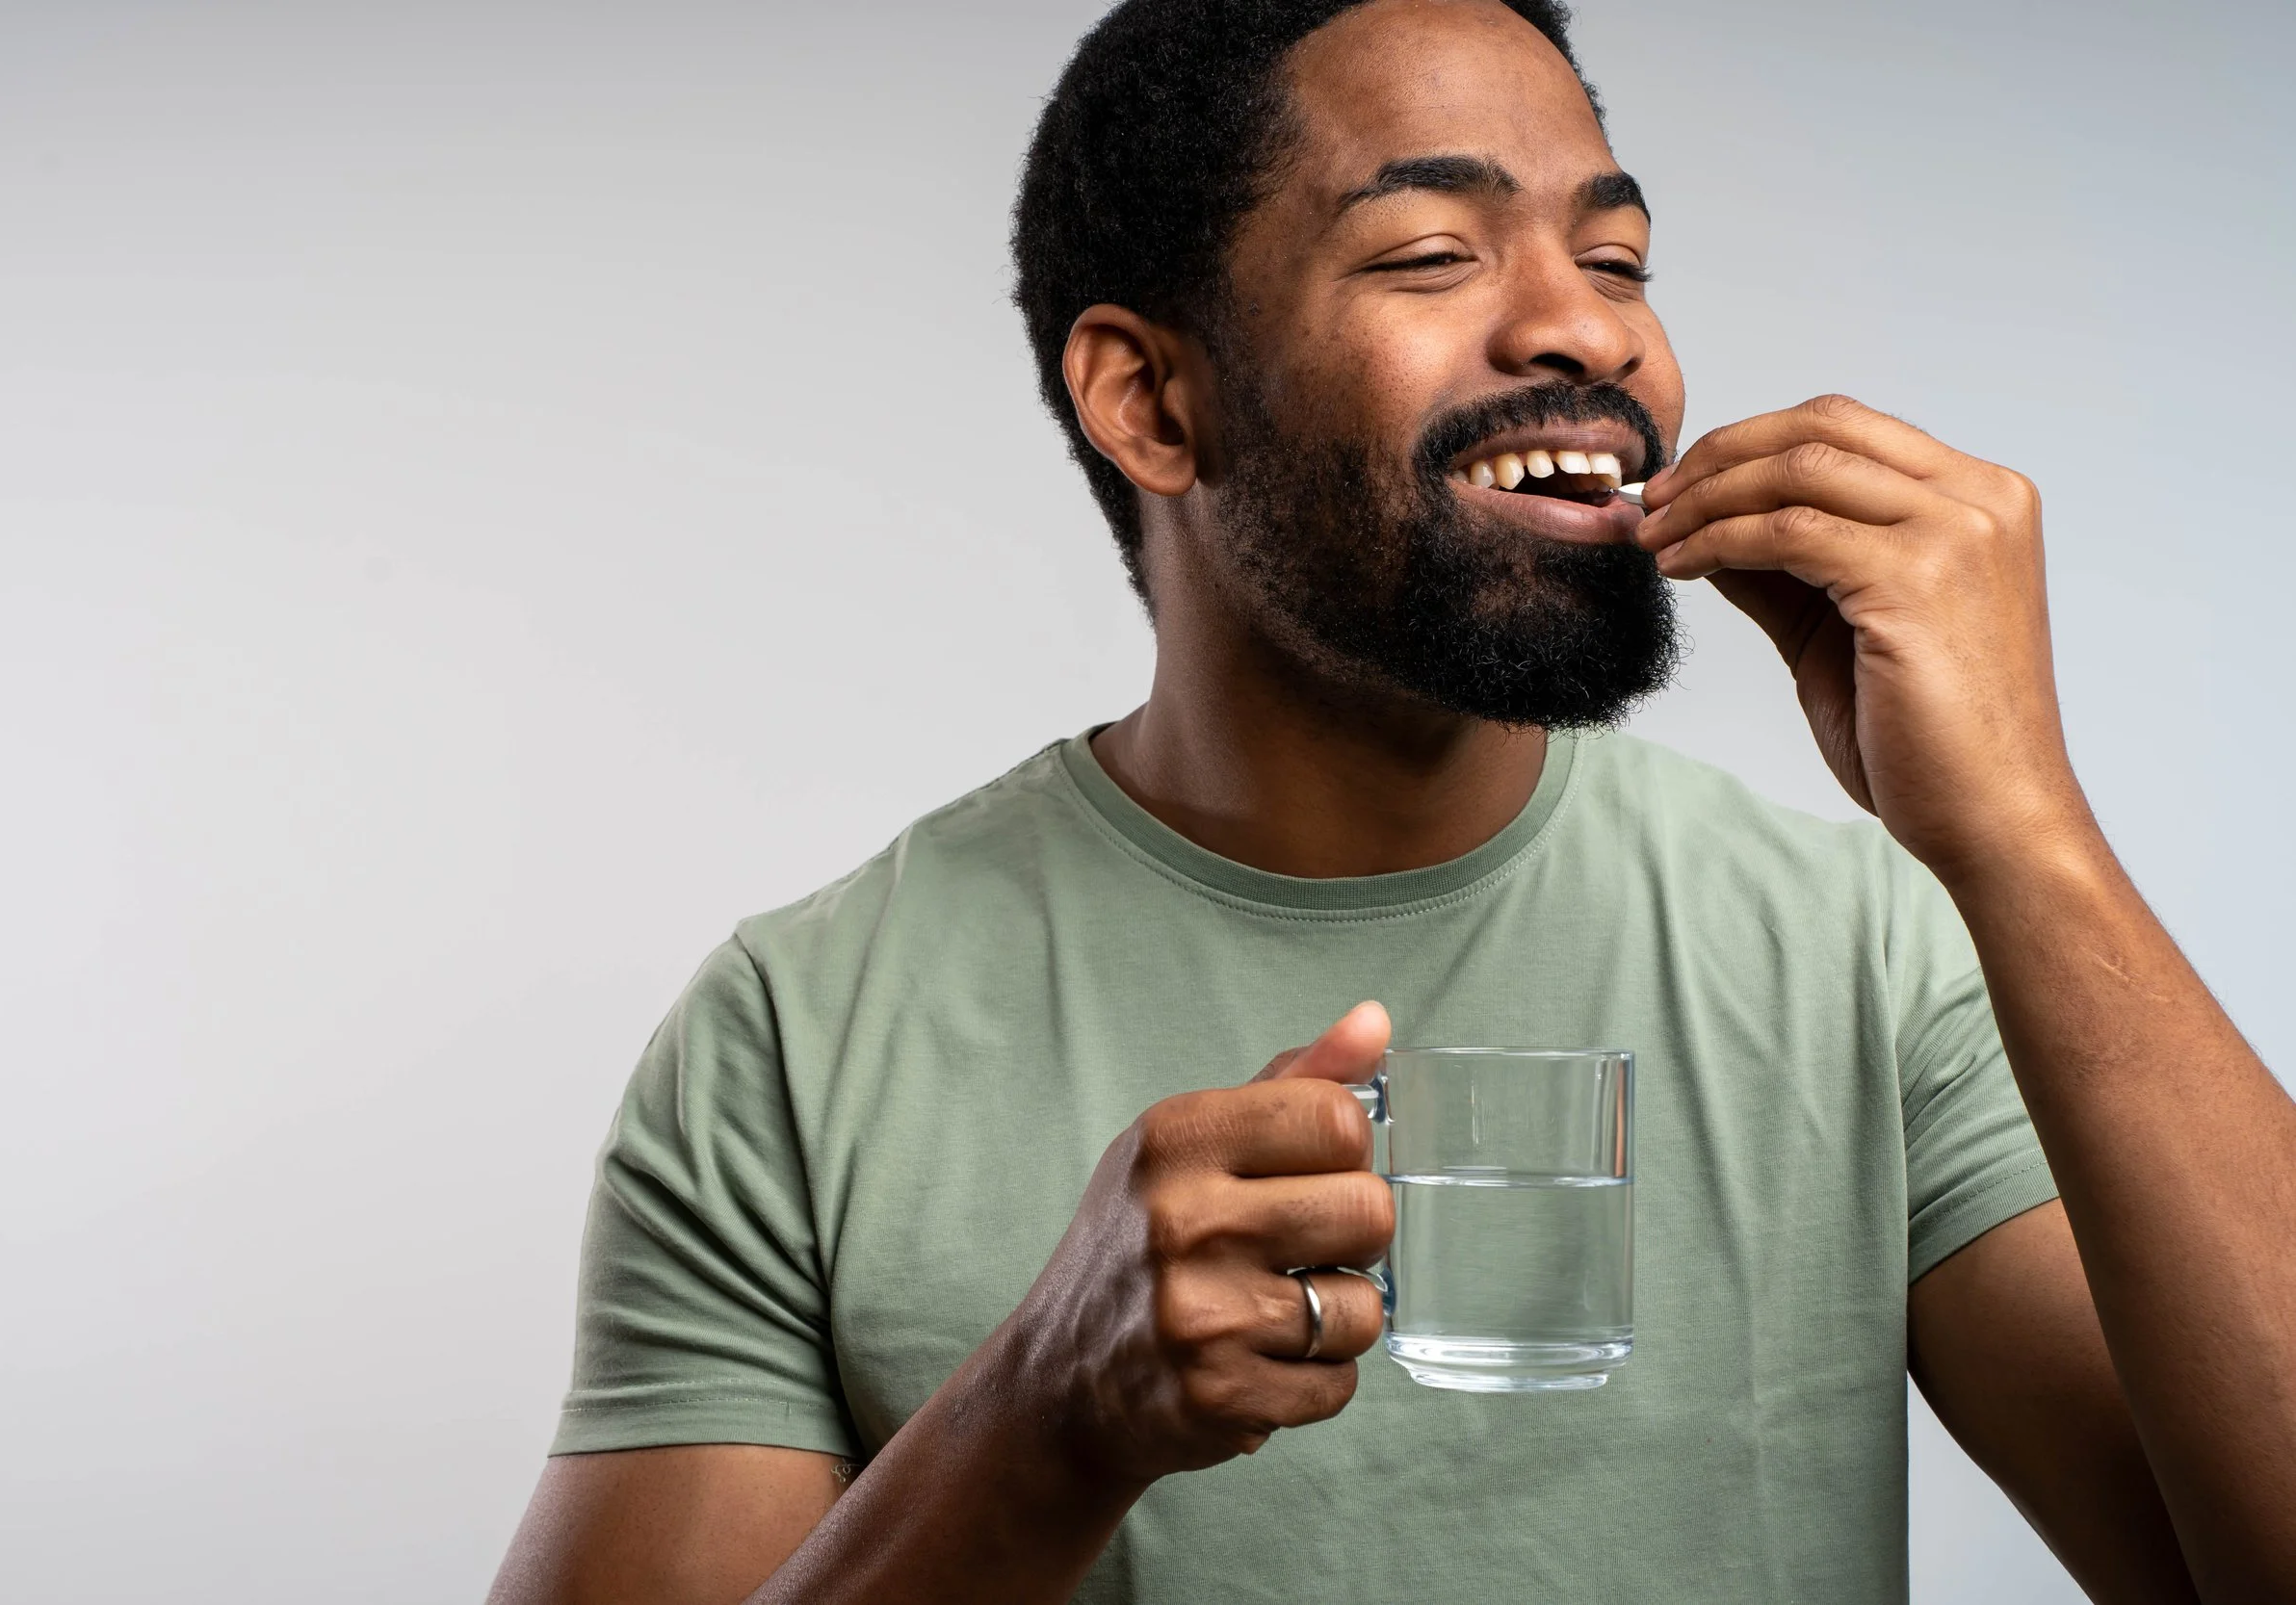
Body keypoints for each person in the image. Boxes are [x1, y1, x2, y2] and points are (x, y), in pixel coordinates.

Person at [488, 2, 2296, 1600]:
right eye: (1433, 252)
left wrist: (2024, 831)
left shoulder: (1871, 952)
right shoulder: (799, 1034)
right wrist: (1041, 1423)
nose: (1585, 330)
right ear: (1151, 400)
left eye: (1620, 258)